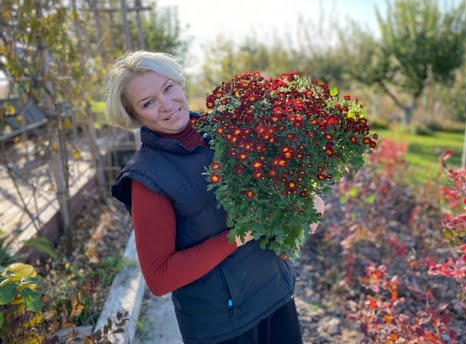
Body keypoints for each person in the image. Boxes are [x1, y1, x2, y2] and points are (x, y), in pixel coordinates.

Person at [104, 51, 325, 344]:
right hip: (222, 326)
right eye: (148, 103)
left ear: (179, 83)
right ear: (135, 116)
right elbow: (159, 277)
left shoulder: (226, 128)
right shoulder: (147, 179)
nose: (167, 105)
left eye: (168, 88)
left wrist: (303, 201)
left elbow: (273, 182)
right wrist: (238, 236)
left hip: (275, 294)